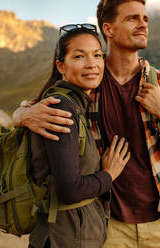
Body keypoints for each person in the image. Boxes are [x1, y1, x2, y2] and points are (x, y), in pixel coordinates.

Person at [14, 0, 160, 247]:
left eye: (145, 19)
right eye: (132, 18)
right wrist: (21, 115)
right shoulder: (88, 80)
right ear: (108, 29)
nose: (143, 24)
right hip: (106, 224)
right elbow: (35, 107)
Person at [28, 24, 131, 248]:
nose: (91, 64)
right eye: (79, 56)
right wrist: (109, 175)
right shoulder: (62, 108)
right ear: (61, 66)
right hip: (66, 238)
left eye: (97, 55)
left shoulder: (73, 103)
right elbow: (70, 190)